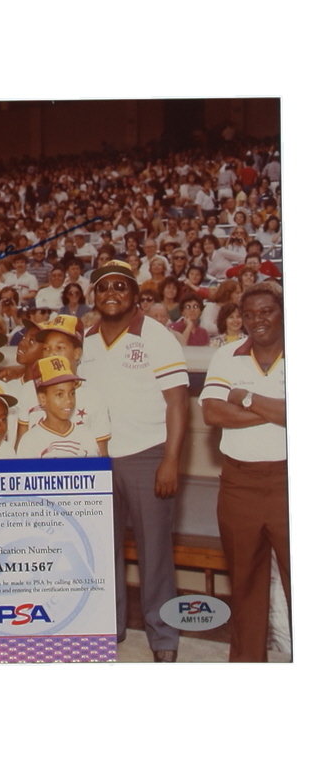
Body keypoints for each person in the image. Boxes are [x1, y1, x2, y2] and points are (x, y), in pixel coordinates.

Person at [79, 261, 188, 661]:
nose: (111, 292)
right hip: (99, 459)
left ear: (134, 293)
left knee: (154, 552)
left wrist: (171, 460)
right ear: (93, 294)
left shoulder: (156, 336)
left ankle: (163, 638)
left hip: (147, 455)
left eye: (120, 286)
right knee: (101, 549)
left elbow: (178, 403)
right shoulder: (85, 340)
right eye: (103, 286)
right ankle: (112, 625)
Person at [199, 284, 288, 662]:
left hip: (291, 485)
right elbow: (213, 414)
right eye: (249, 314)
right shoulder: (226, 355)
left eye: (266, 311)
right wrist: (276, 410)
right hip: (239, 485)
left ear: (282, 312)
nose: (258, 320)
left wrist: (246, 398)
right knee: (246, 588)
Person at [16, 356, 98, 459]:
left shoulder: (86, 437)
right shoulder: (30, 440)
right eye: (60, 394)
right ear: (42, 399)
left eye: (72, 393)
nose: (68, 400)